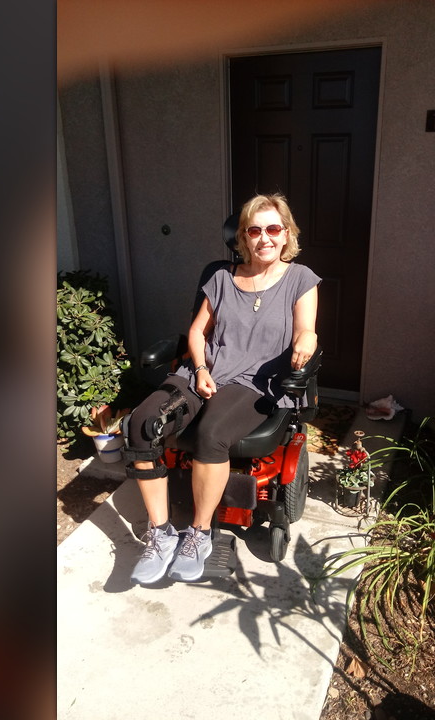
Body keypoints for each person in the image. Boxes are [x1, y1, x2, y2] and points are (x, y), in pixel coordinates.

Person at [124, 193, 320, 584]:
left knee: (211, 434)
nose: (264, 238)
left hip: (256, 382)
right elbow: (198, 332)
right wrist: (199, 370)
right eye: (254, 231)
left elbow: (305, 329)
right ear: (243, 237)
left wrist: (307, 340)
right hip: (204, 372)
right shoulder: (221, 277)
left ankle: (199, 534)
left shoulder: (301, 279)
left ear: (286, 234)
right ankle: (161, 534)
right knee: (141, 424)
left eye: (273, 229)